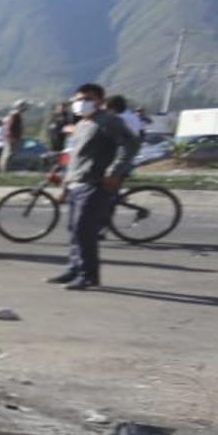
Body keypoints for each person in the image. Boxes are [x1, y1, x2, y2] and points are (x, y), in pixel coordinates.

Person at [50, 83, 140, 290]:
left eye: (87, 99)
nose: (81, 103)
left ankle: (88, 275)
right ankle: (74, 268)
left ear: (99, 101)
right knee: (74, 229)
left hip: (95, 183)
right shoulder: (82, 124)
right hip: (76, 182)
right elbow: (74, 158)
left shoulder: (108, 121)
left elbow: (130, 145)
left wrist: (114, 171)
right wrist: (64, 185)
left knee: (84, 230)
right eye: (78, 99)